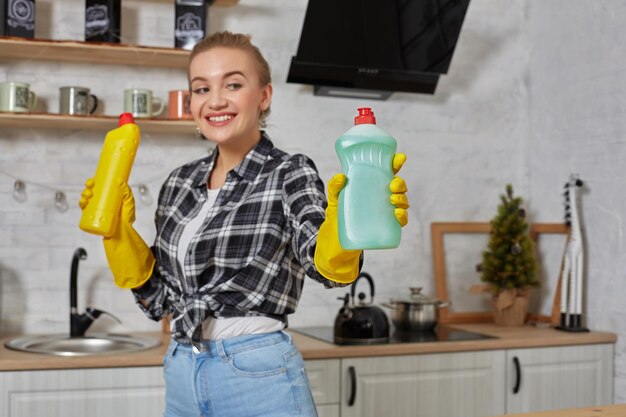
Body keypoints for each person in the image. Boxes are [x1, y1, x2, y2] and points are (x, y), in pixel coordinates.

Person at [80, 31, 409, 417]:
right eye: (201, 88)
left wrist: (349, 226)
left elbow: (328, 269)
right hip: (182, 368)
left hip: (257, 373)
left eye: (233, 84)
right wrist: (118, 231)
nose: (215, 100)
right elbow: (160, 301)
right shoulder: (179, 183)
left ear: (264, 96)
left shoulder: (289, 171)